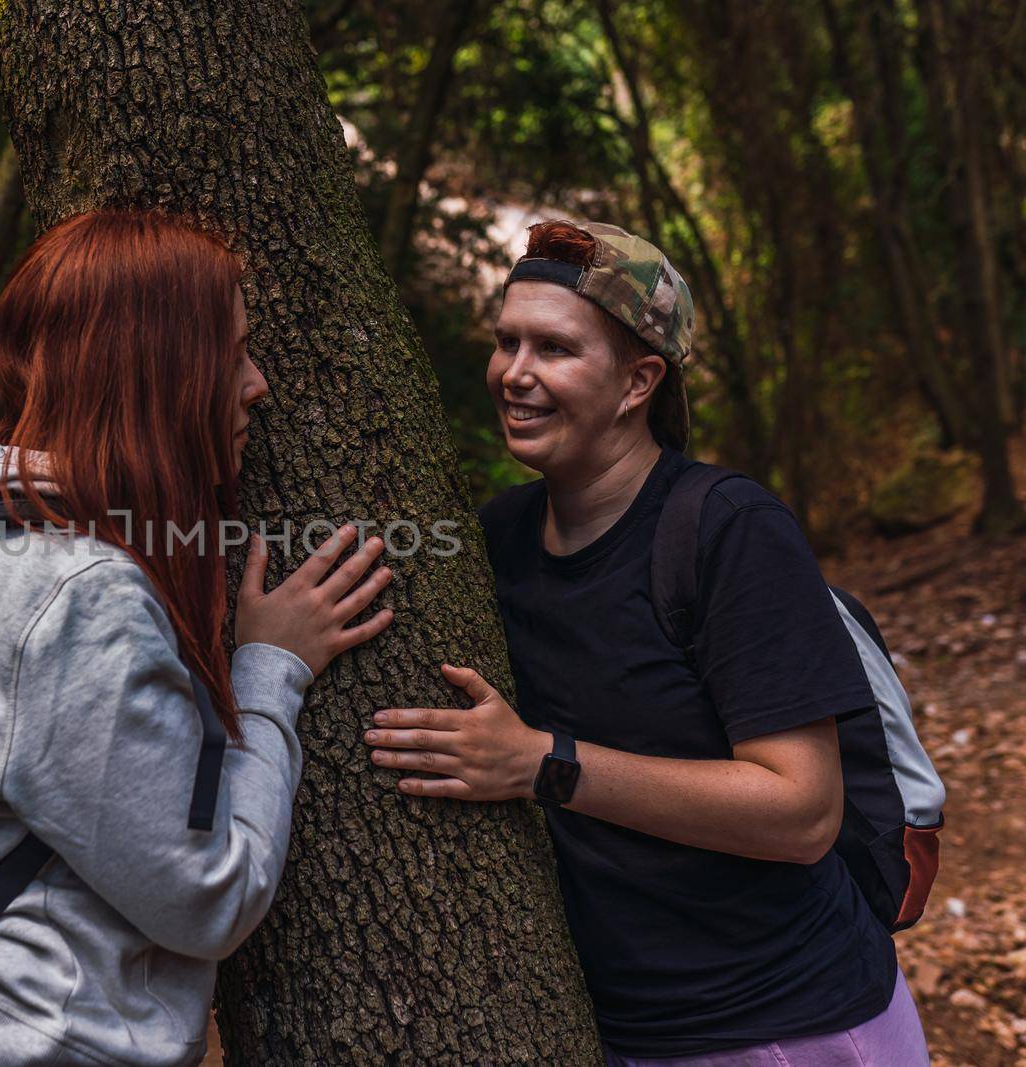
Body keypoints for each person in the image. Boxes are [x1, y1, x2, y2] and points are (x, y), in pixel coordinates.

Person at [363, 221, 929, 1064]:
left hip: (787, 1023)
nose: (514, 373)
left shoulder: (727, 530)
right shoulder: (500, 539)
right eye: (507, 341)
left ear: (639, 381)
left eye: (554, 348)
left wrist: (542, 763)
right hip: (622, 1033)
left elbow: (804, 811)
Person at [0, 209, 395, 1066]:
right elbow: (206, 895)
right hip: (24, 1039)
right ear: (158, 373)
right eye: (231, 356)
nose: (258, 383)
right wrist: (270, 671)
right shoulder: (73, 595)